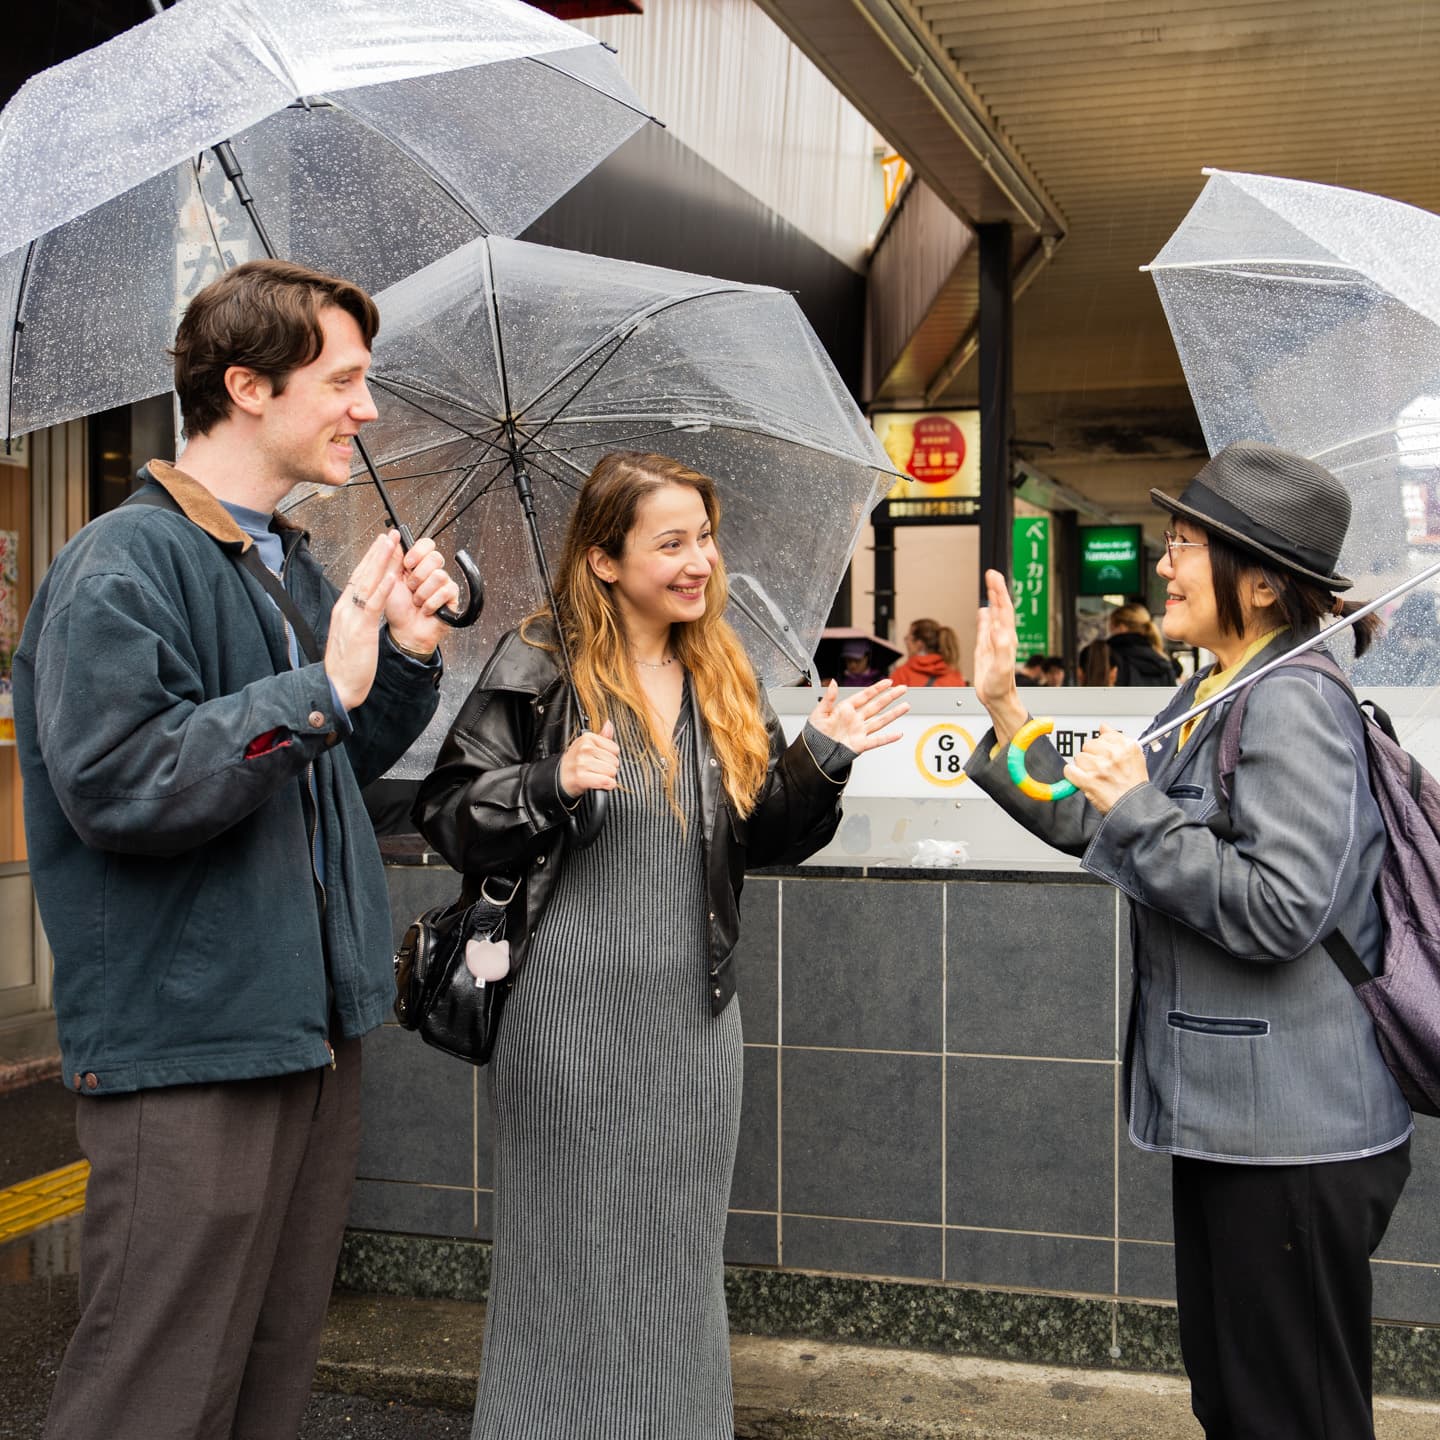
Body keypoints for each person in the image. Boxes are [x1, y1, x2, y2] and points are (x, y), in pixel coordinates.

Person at [13, 259, 460, 1440]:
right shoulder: (121, 564)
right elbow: (119, 785)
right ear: (249, 385)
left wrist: (401, 659)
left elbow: (323, 775)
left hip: (304, 1027)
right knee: (154, 1389)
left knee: (266, 1373)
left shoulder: (282, 561)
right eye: (347, 380)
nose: (367, 410)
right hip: (190, 1037)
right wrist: (322, 686)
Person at [412, 451, 907, 1440]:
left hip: (693, 1020)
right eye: (671, 542)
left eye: (705, 538)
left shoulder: (718, 665)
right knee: (564, 1256)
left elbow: (758, 835)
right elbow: (446, 815)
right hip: (563, 1016)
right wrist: (547, 782)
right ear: (604, 558)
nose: (700, 562)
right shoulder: (537, 661)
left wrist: (822, 761)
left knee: (676, 1256)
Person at [965, 441, 1411, 1440]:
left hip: (1294, 1136)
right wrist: (1004, 710)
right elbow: (1098, 816)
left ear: (1257, 582)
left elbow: (1282, 908)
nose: (1164, 565)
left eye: (1182, 546)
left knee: (1290, 1414)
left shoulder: (1292, 703)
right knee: (1237, 1400)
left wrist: (1137, 810)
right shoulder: (1215, 690)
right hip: (1238, 1124)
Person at [1107, 599, 1181, 685]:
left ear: (1121, 627)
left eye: (1111, 627)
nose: (1110, 632)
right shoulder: (1163, 659)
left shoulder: (1109, 655)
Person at [890, 616, 966, 687]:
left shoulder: (901, 674)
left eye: (907, 639)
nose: (906, 644)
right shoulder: (955, 675)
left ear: (919, 644)